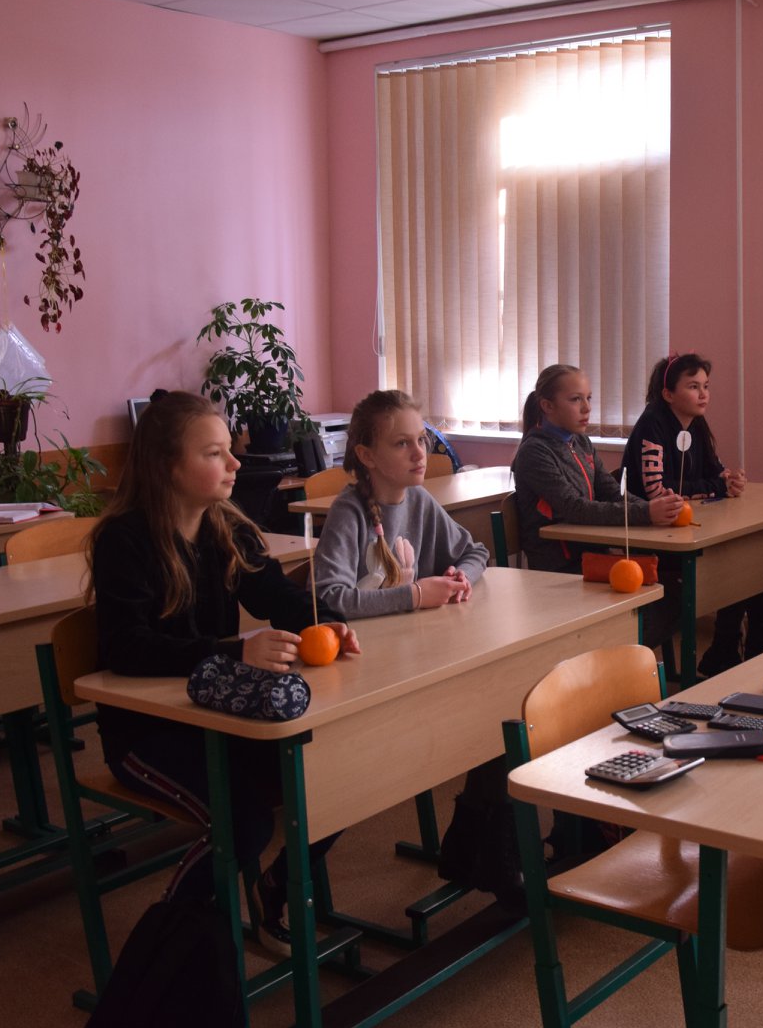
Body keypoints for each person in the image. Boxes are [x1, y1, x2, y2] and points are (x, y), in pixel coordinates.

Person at [87, 391, 359, 946]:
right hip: (146, 731)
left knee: (338, 775)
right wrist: (233, 652)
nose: (235, 462)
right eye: (214, 453)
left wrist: (326, 623)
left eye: (228, 448)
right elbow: (125, 648)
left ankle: (274, 888)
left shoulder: (226, 528)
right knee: (245, 821)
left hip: (220, 715)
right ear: (168, 466)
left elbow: (277, 596)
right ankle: (169, 938)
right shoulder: (124, 539)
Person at [620, 353, 763, 675]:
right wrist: (718, 486)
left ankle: (734, 644)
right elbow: (658, 491)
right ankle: (731, 644)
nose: (703, 394)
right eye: (693, 387)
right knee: (734, 561)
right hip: (652, 538)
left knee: (747, 554)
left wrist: (730, 480)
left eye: (706, 386)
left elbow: (715, 471)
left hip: (686, 526)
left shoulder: (696, 423)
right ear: (668, 394)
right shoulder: (652, 425)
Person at [313, 389, 487, 617]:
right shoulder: (349, 512)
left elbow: (475, 552)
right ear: (367, 456)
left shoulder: (419, 499)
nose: (419, 454)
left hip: (412, 634)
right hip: (364, 638)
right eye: (402, 443)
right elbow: (328, 599)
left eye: (421, 439)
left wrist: (462, 576)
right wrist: (416, 595)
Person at [510, 364, 684, 573]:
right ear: (548, 406)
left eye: (588, 398)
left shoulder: (581, 442)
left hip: (593, 554)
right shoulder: (535, 452)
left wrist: (656, 507)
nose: (587, 408)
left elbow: (612, 492)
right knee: (658, 575)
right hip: (561, 567)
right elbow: (575, 508)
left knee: (666, 570)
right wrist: (646, 512)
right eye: (576, 399)